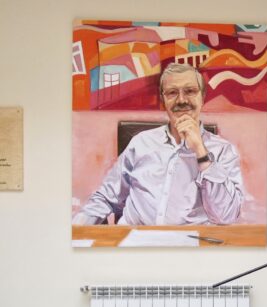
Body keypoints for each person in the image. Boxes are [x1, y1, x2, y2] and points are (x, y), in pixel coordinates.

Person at [72, 63, 244, 226]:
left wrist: (201, 152)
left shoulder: (223, 151)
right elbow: (105, 197)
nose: (181, 100)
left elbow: (226, 216)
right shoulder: (141, 143)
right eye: (172, 93)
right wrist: (77, 229)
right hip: (134, 241)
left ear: (202, 97)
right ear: (163, 100)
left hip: (188, 247)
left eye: (190, 91)